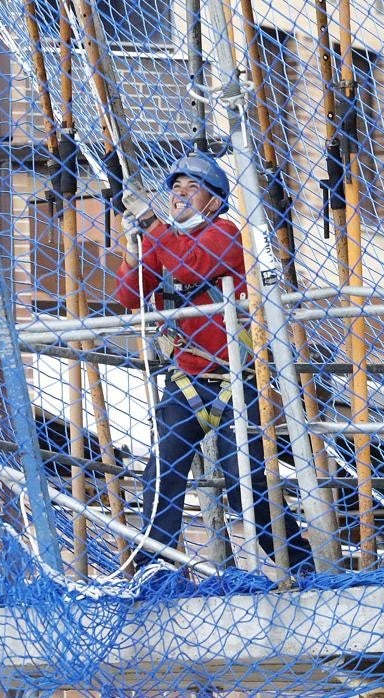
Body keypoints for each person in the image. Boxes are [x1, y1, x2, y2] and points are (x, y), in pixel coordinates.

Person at [114, 153, 315, 577]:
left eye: (192, 189)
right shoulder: (162, 242)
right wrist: (133, 252)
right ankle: (157, 571)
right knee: (162, 476)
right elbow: (129, 298)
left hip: (235, 382)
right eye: (176, 189)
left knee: (247, 487)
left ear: (213, 201)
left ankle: (298, 565)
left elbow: (194, 263)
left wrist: (153, 228)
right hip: (186, 380)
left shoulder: (226, 235)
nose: (180, 196)